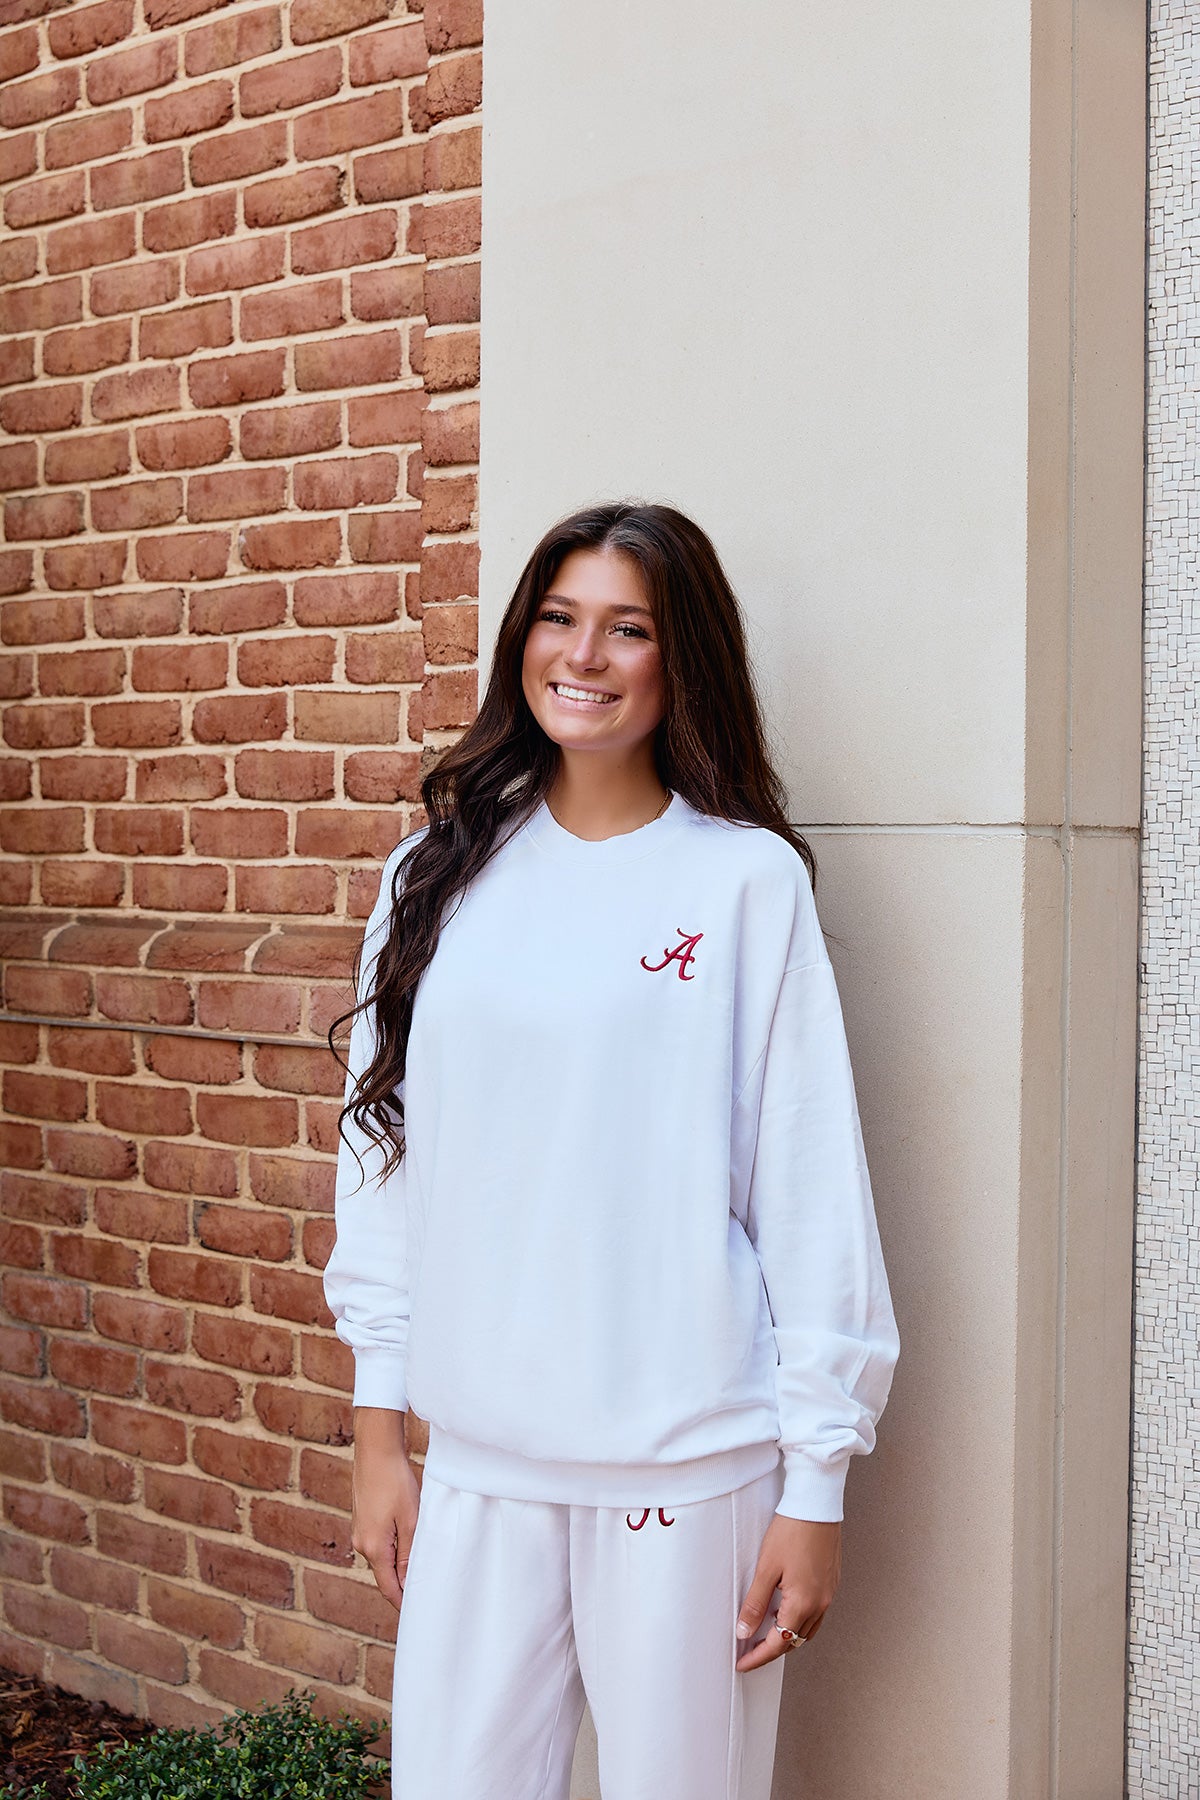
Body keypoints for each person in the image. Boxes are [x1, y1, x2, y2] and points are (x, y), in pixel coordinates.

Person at [322, 500, 900, 1800]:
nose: (581, 655)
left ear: (679, 658)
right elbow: (386, 1167)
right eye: (558, 617)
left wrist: (818, 1490)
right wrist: (378, 1437)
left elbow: (811, 1196)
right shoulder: (434, 879)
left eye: (626, 628)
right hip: (480, 1464)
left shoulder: (744, 884)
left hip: (690, 1472)